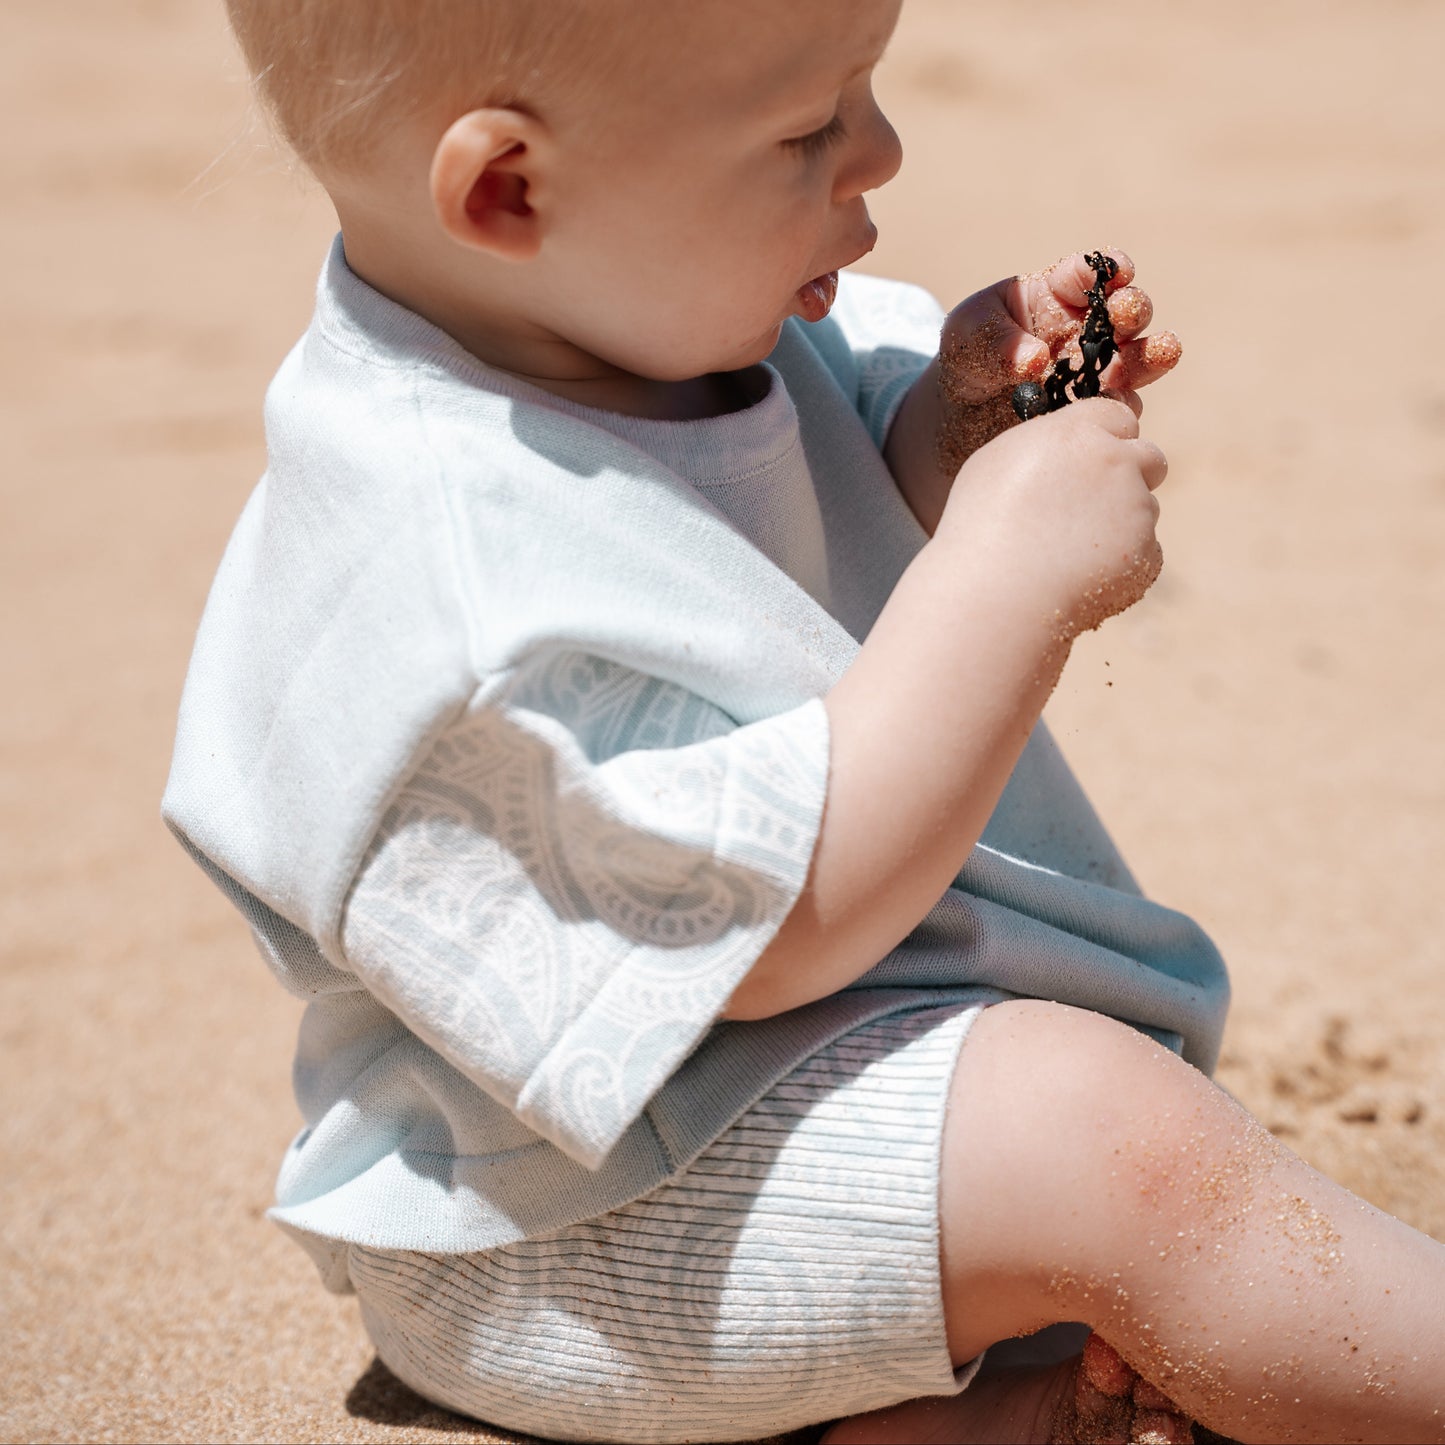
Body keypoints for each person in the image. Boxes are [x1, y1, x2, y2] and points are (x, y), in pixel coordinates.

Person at [162, 1, 1445, 1440]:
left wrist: (945, 442)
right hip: (563, 1247)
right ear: (510, 191)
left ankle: (965, 1416)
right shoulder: (442, 590)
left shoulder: (638, 328)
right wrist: (1001, 574)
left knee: (1097, 1156)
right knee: (1110, 1148)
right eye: (805, 127)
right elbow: (784, 926)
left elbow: (782, 531)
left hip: (753, 1132)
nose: (879, 152)